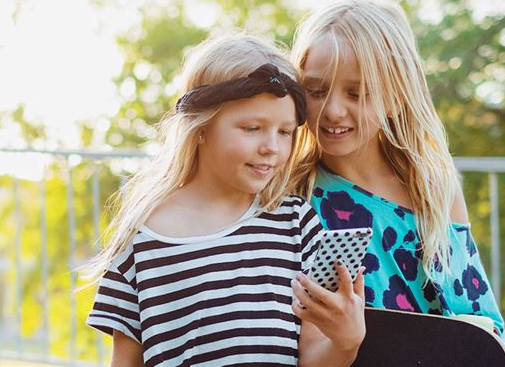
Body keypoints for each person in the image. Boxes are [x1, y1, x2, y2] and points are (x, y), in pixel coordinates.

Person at [83, 34, 365, 367]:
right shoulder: (143, 238)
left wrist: (346, 343)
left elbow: (313, 357)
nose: (271, 147)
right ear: (200, 128)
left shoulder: (295, 223)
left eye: (285, 132)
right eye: (252, 128)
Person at [288, 0, 505, 339]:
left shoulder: (434, 190)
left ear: (395, 97)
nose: (332, 110)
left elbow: (482, 323)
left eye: (356, 94)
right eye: (316, 91)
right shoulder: (291, 194)